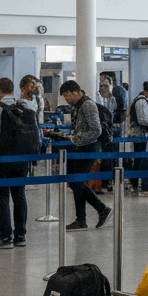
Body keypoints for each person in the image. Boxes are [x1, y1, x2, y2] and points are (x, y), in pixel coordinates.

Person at [0, 78, 37, 249]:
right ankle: (20, 236)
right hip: (21, 160)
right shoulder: (24, 106)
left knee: (2, 198)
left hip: (0, 160)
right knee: (19, 196)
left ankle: (5, 238)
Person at [58, 80, 112, 231]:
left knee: (77, 182)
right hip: (82, 146)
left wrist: (78, 137)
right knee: (76, 183)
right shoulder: (78, 106)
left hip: (89, 147)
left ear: (75, 92)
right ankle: (81, 220)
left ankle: (102, 209)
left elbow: (96, 130)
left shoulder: (87, 105)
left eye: (67, 95)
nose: (66, 99)